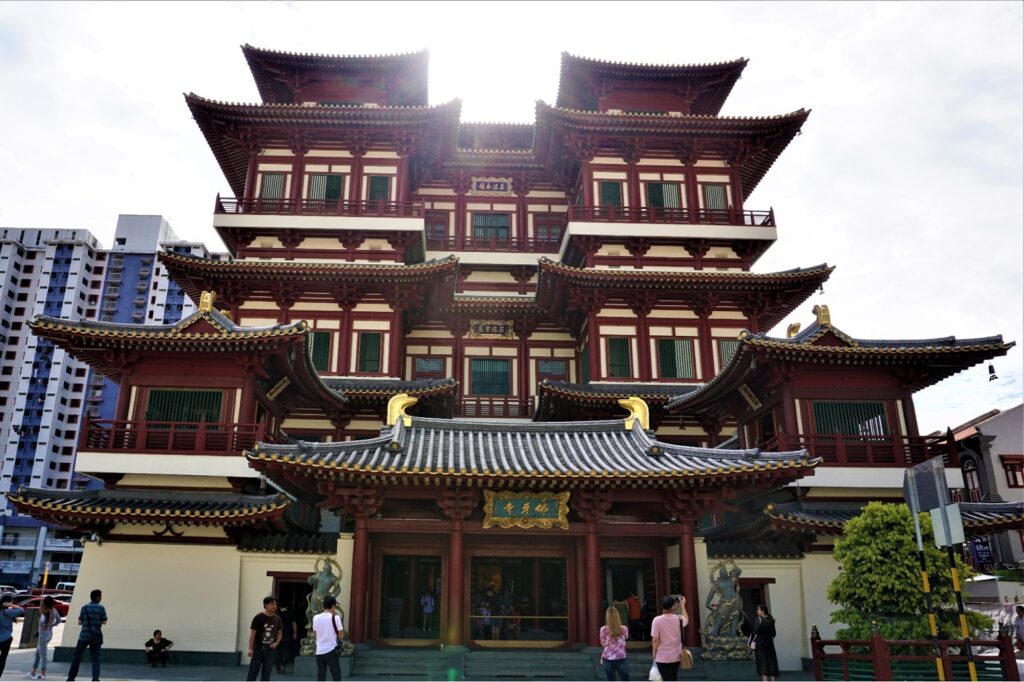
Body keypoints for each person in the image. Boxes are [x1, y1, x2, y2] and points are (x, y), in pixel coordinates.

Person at [67, 588, 107, 682]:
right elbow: (104, 621)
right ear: (97, 597)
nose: (101, 598)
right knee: (96, 658)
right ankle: (95, 678)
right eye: (100, 596)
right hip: (96, 636)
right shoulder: (101, 608)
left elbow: (79, 622)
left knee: (77, 657)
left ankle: (71, 677)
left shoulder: (84, 607)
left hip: (84, 636)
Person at [650, 595, 688, 682]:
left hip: (662, 656)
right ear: (673, 606)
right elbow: (686, 619)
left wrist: (654, 653)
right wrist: (682, 606)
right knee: (673, 678)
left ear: (661, 606)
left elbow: (655, 640)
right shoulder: (678, 619)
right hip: (676, 656)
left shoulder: (657, 620)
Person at [247, 596, 283, 681]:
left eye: (275, 604)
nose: (274, 606)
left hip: (270, 650)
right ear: (265, 605)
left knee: (267, 674)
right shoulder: (258, 617)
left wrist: (276, 643)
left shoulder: (277, 618)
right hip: (258, 649)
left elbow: (280, 633)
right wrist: (250, 648)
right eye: (272, 604)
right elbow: (252, 634)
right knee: (253, 672)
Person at [311, 596, 345, 681]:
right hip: (331, 649)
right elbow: (341, 636)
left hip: (319, 651)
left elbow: (315, 635)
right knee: (336, 675)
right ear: (333, 606)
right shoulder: (335, 617)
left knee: (321, 676)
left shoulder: (316, 617)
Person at [29, 595, 62, 679]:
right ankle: (33, 672)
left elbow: (42, 623)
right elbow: (59, 620)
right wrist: (52, 625)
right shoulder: (54, 610)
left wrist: (42, 623)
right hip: (49, 634)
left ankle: (43, 673)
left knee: (43, 655)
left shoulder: (45, 612)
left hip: (43, 635)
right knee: (37, 654)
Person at [600, 606, 630, 681]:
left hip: (607, 658)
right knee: (625, 679)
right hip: (620, 658)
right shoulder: (624, 628)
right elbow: (625, 638)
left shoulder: (603, 629)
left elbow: (603, 644)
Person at [752, 604, 779, 682]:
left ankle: (765, 680)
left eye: (758, 609)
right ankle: (773, 680)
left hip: (761, 643)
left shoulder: (759, 619)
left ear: (762, 611)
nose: (757, 611)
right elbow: (774, 633)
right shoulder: (771, 619)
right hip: (769, 643)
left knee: (762, 661)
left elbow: (755, 631)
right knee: (771, 661)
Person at [0, 594, 25, 677]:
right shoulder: (7, 611)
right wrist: (11, 605)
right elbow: (21, 610)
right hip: (5, 638)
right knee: (3, 658)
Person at [275, 603, 297, 674]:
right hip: (288, 635)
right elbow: (294, 624)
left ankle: (278, 666)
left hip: (278, 636)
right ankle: (283, 664)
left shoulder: (277, 615)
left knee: (278, 651)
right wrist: (295, 633)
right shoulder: (290, 614)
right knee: (287, 651)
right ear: (287, 607)